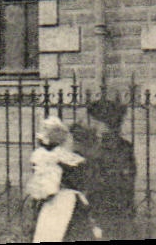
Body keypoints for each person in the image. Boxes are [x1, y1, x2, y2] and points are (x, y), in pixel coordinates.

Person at [71, 99, 135, 241]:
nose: (90, 124)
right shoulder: (118, 145)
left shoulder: (102, 147)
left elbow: (118, 180)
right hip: (109, 208)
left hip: (106, 208)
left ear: (104, 124)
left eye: (93, 120)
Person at [27, 116, 90, 242]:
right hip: (63, 201)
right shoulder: (56, 158)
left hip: (62, 202)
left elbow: (46, 188)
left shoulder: (52, 158)